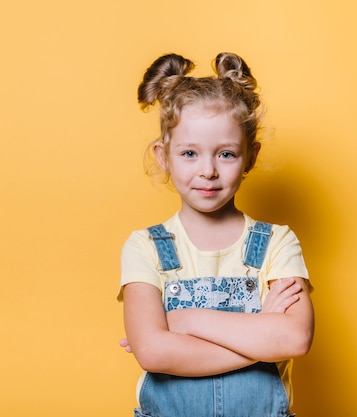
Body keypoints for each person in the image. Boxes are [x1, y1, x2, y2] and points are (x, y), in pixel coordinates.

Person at [117, 52, 314, 417]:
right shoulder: (144, 247)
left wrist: (187, 321)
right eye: (189, 153)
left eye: (226, 154)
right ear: (164, 156)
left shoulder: (277, 242)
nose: (207, 171)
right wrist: (260, 336)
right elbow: (154, 352)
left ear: (250, 157)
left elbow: (295, 338)